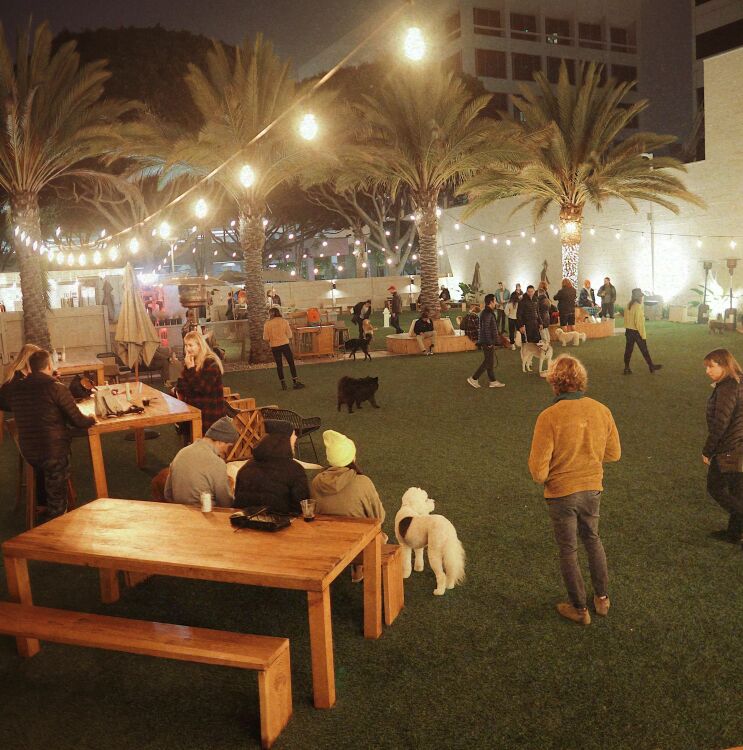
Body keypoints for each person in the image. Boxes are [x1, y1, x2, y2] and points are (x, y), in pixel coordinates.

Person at [528, 355, 621, 625]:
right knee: (592, 538)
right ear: (581, 379)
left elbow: (538, 471)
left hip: (561, 493)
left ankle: (579, 609)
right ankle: (602, 598)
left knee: (568, 549)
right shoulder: (601, 410)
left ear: (554, 382)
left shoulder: (549, 417)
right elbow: (614, 453)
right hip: (592, 488)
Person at [10, 349, 96, 521]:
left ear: (30, 368)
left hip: (29, 452)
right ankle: (58, 522)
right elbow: (78, 421)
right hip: (53, 452)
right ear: (49, 365)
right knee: (57, 499)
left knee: (50, 471)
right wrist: (91, 419)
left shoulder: (16, 388)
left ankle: (46, 509)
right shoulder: (56, 388)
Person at [702, 349, 743, 545]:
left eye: (711, 366)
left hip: (729, 448)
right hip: (739, 445)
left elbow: (721, 423)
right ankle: (734, 534)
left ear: (724, 365)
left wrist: (708, 451)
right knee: (737, 492)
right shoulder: (738, 381)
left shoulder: (728, 387)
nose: (707, 371)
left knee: (715, 487)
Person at [234, 420, 310, 515]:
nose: (295, 438)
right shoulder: (295, 470)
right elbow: (301, 507)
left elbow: (238, 502)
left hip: (246, 525)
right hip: (280, 527)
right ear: (284, 441)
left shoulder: (246, 467)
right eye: (293, 436)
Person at [164, 416, 239, 507]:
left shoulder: (181, 452)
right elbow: (226, 503)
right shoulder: (217, 463)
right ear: (220, 441)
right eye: (228, 446)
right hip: (205, 515)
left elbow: (168, 493)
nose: (227, 451)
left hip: (180, 512)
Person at [311, 430, 386, 520]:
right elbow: (379, 517)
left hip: (324, 533)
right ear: (352, 458)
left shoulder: (316, 482)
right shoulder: (363, 482)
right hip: (360, 533)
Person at [175, 330, 226, 432]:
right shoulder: (191, 362)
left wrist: (190, 369)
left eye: (190, 345)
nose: (188, 349)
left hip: (210, 415)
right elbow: (182, 387)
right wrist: (188, 370)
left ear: (200, 346)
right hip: (195, 410)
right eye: (186, 345)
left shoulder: (211, 363)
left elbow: (203, 389)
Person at [467, 294, 505, 389]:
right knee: (488, 361)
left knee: (490, 361)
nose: (496, 303)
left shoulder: (487, 312)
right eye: (495, 301)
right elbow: (486, 329)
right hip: (487, 341)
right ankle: (474, 378)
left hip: (487, 340)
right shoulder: (488, 313)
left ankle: (493, 381)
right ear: (491, 302)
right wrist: (489, 342)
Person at [263, 307, 305, 390]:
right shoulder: (284, 321)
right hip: (284, 344)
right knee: (291, 363)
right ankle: (295, 381)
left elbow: (265, 338)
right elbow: (289, 335)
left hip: (274, 346)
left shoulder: (267, 324)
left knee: (279, 365)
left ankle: (283, 383)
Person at [623, 288, 662, 375]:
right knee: (644, 350)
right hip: (636, 332)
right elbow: (639, 323)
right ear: (638, 297)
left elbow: (625, 319)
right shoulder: (638, 307)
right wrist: (643, 335)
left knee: (628, 350)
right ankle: (651, 366)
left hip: (628, 331)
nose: (642, 298)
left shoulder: (628, 305)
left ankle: (626, 368)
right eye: (641, 296)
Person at [0, 343, 41, 411]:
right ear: (29, 360)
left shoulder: (28, 374)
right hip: (11, 409)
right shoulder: (17, 376)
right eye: (37, 359)